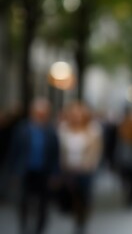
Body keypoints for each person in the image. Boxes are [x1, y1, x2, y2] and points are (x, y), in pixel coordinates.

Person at [9, 98, 59, 234]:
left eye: (44, 112)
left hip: (44, 171)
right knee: (23, 200)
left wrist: (55, 173)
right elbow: (14, 151)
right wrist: (13, 172)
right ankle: (24, 226)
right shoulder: (22, 129)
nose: (41, 115)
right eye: (38, 112)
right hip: (25, 170)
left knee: (43, 202)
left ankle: (39, 228)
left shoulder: (51, 131)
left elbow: (55, 154)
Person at [57, 101, 102, 234]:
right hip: (69, 169)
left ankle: (81, 221)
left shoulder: (93, 129)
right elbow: (60, 150)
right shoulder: (64, 129)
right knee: (72, 196)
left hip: (85, 170)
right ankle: (76, 216)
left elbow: (96, 151)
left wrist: (90, 164)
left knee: (84, 196)